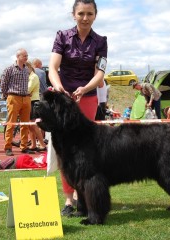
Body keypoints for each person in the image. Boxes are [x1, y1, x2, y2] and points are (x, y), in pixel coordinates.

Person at [48, 0, 107, 216]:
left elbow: (100, 73)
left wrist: (85, 88)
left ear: (95, 15)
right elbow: (53, 67)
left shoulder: (100, 41)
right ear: (74, 14)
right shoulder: (62, 36)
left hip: (88, 97)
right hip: (62, 99)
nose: (85, 17)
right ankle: (68, 200)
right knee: (65, 150)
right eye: (81, 13)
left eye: (89, 13)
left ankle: (85, 197)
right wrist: (59, 88)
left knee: (85, 151)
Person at [1, 48, 33, 156]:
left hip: (26, 98)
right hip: (14, 97)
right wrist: (7, 96)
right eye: (24, 55)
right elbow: (3, 84)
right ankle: (8, 146)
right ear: (18, 56)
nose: (26, 57)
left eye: (27, 55)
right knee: (11, 123)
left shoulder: (26, 69)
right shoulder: (9, 69)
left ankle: (24, 146)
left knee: (25, 124)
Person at [26, 61, 47, 152]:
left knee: (33, 125)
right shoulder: (29, 77)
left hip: (34, 101)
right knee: (30, 125)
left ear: (29, 67)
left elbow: (28, 89)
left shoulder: (33, 77)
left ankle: (42, 144)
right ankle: (33, 144)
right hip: (29, 101)